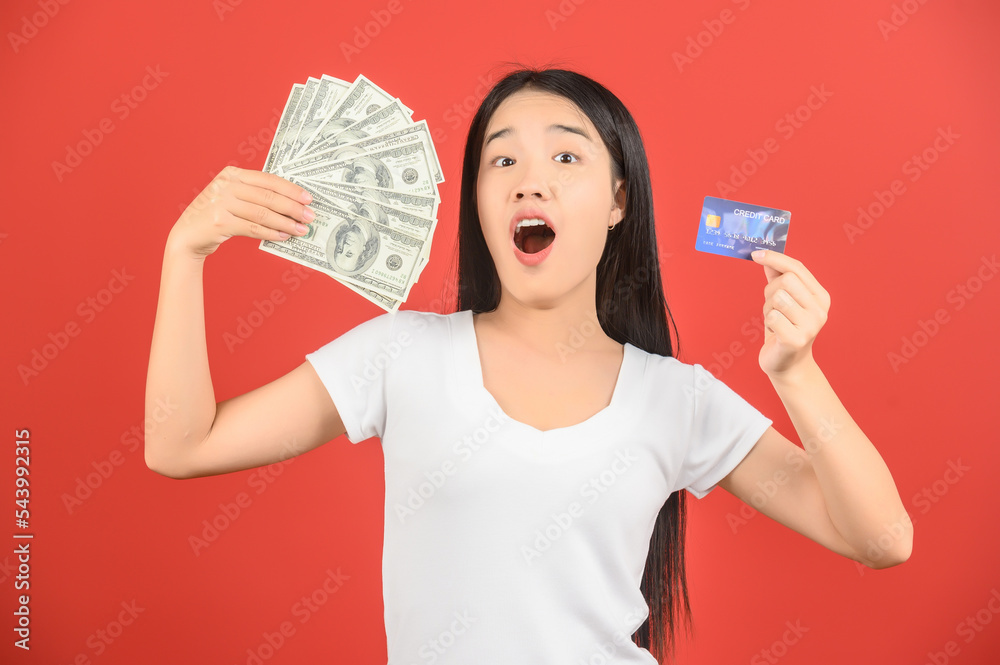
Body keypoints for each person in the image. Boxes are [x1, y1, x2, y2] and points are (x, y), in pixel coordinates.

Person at [145, 67, 912, 664]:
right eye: (500, 157)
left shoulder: (676, 399)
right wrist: (186, 253)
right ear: (479, 200)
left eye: (566, 155)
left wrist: (796, 369)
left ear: (618, 200)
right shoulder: (399, 354)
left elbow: (882, 537)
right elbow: (182, 445)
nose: (528, 177)